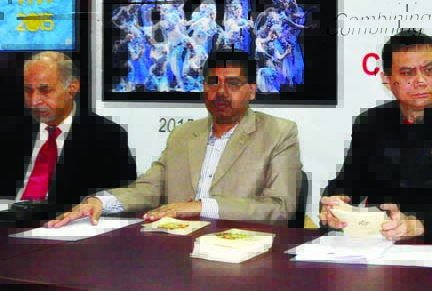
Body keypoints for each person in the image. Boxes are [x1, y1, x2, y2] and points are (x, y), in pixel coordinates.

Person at [48, 50, 302, 226]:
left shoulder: (278, 133)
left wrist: (202, 206)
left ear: (252, 91)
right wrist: (100, 202)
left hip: (239, 248)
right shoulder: (183, 135)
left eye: (233, 84)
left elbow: (280, 208)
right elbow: (150, 188)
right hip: (174, 244)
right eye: (213, 83)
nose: (221, 92)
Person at [319, 29, 432, 243]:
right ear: (387, 80)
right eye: (408, 73)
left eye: (429, 70)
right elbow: (349, 182)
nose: (421, 81)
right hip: (380, 241)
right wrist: (335, 204)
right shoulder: (370, 123)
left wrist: (416, 224)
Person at [0, 52, 136, 213]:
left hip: (64, 221)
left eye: (45, 90)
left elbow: (119, 197)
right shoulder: (10, 130)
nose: (34, 101)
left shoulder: (106, 136)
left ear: (72, 88)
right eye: (28, 90)